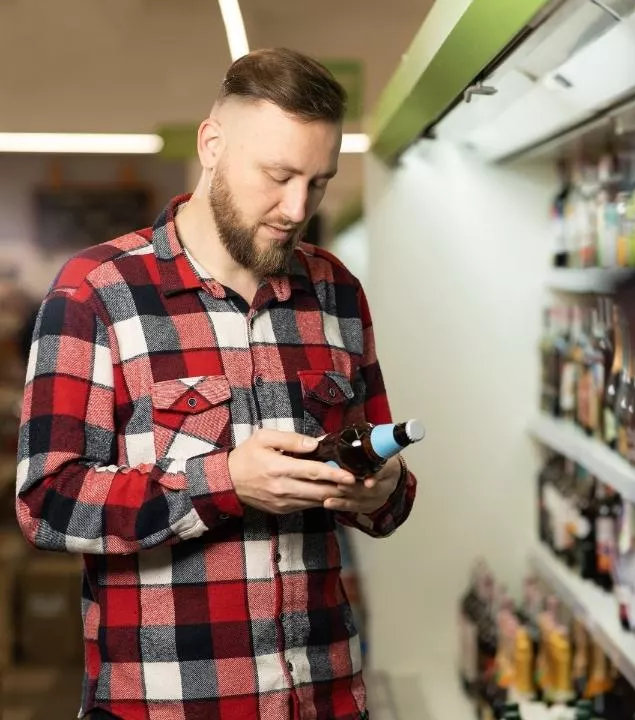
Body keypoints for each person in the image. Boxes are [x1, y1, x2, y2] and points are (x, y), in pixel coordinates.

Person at [15, 48, 414, 720]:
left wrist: (381, 486)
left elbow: (387, 501)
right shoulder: (97, 292)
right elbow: (48, 503)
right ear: (212, 143)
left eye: (318, 182)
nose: (296, 208)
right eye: (278, 175)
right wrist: (225, 482)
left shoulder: (337, 292)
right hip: (168, 704)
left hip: (326, 697)